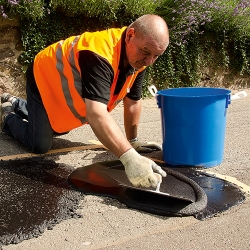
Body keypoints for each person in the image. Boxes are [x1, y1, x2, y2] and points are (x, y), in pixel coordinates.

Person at [0, 14, 170, 188]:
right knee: (40, 144)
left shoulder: (138, 59)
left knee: (58, 126)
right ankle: (7, 115)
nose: (149, 61)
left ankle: (17, 103)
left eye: (156, 56)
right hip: (43, 76)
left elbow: (133, 100)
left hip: (58, 91)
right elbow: (96, 113)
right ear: (130, 35)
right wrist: (129, 157)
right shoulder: (99, 54)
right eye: (146, 52)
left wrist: (132, 141)